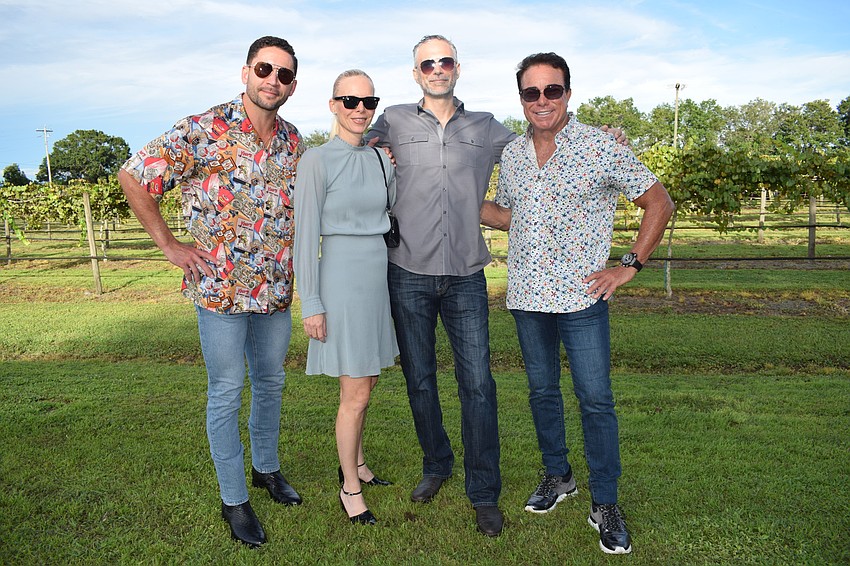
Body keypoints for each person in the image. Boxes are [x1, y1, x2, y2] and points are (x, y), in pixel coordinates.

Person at [481, 52, 674, 554]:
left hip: (583, 297)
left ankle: (605, 502)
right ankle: (558, 476)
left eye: (552, 90)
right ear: (520, 97)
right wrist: (446, 193)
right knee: (542, 393)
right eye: (531, 92)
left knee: (595, 400)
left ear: (568, 92)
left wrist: (629, 265)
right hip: (526, 295)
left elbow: (660, 202)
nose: (542, 101)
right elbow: (510, 216)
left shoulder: (599, 147)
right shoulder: (514, 154)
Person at [118, 36, 304, 548]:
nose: (274, 80)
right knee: (225, 391)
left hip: (275, 290)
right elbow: (133, 176)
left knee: (270, 385)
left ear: (293, 85)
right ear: (246, 72)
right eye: (265, 68)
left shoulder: (292, 141)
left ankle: (266, 471)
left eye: (285, 74)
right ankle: (234, 499)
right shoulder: (202, 129)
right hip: (219, 291)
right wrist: (169, 245)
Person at [364, 35, 514, 537]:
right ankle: (436, 464)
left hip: (468, 274)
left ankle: (484, 492)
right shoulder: (392, 122)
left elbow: (544, 147)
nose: (437, 68)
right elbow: (351, 151)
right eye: (427, 63)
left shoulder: (487, 128)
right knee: (420, 379)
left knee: (477, 384)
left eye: (445, 60)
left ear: (457, 68)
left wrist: (597, 138)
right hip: (406, 271)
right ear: (415, 73)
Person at [293, 69, 398, 526]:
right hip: (340, 277)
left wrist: (388, 160)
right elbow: (305, 235)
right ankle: (349, 489)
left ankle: (355, 462)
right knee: (353, 391)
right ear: (333, 105)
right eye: (350, 100)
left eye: (368, 101)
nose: (360, 109)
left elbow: (391, 210)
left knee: (368, 381)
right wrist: (310, 301)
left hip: (377, 277)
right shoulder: (316, 160)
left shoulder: (380, 160)